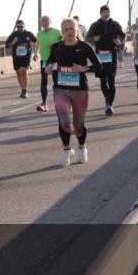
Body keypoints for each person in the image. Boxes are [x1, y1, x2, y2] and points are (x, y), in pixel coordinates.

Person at [45, 17, 101, 166]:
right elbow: (50, 61)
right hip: (60, 89)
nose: (69, 32)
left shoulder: (84, 47)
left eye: (72, 29)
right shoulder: (57, 47)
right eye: (66, 29)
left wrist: (84, 68)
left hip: (79, 90)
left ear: (77, 30)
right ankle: (66, 150)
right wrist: (48, 67)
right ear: (62, 32)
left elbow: (99, 66)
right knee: (63, 122)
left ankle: (82, 148)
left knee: (78, 123)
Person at [85, 5, 126, 117]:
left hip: (111, 54)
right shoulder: (95, 25)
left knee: (111, 80)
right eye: (103, 12)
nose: (105, 14)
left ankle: (109, 104)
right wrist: (94, 39)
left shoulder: (115, 24)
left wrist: (120, 41)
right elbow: (87, 38)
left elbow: (123, 36)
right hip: (99, 55)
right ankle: (108, 101)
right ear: (100, 14)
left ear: (110, 13)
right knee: (103, 81)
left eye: (107, 12)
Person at [5, 19, 38, 99]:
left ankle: (25, 90)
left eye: (21, 26)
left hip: (26, 56)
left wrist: (35, 52)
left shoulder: (28, 34)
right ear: (16, 26)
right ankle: (22, 89)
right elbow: (7, 45)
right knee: (19, 73)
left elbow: (36, 41)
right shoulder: (13, 34)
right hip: (16, 57)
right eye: (18, 26)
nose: (20, 28)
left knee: (24, 71)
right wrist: (12, 43)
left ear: (24, 26)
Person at [36, 16, 63, 112]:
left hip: (55, 59)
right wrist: (35, 53)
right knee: (44, 81)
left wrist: (55, 45)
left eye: (46, 20)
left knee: (56, 82)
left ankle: (60, 103)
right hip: (44, 59)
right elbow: (37, 42)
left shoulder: (56, 32)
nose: (44, 22)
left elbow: (63, 40)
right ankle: (44, 104)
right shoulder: (39, 33)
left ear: (50, 22)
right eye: (42, 21)